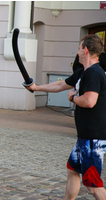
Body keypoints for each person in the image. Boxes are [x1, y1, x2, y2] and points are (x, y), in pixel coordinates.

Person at [27, 34, 106, 200]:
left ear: (85, 49)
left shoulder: (94, 74)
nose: (77, 52)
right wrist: (36, 87)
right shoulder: (82, 73)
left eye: (79, 48)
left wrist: (72, 98)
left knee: (93, 185)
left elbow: (90, 101)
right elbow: (60, 85)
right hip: (84, 136)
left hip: (93, 137)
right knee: (72, 170)